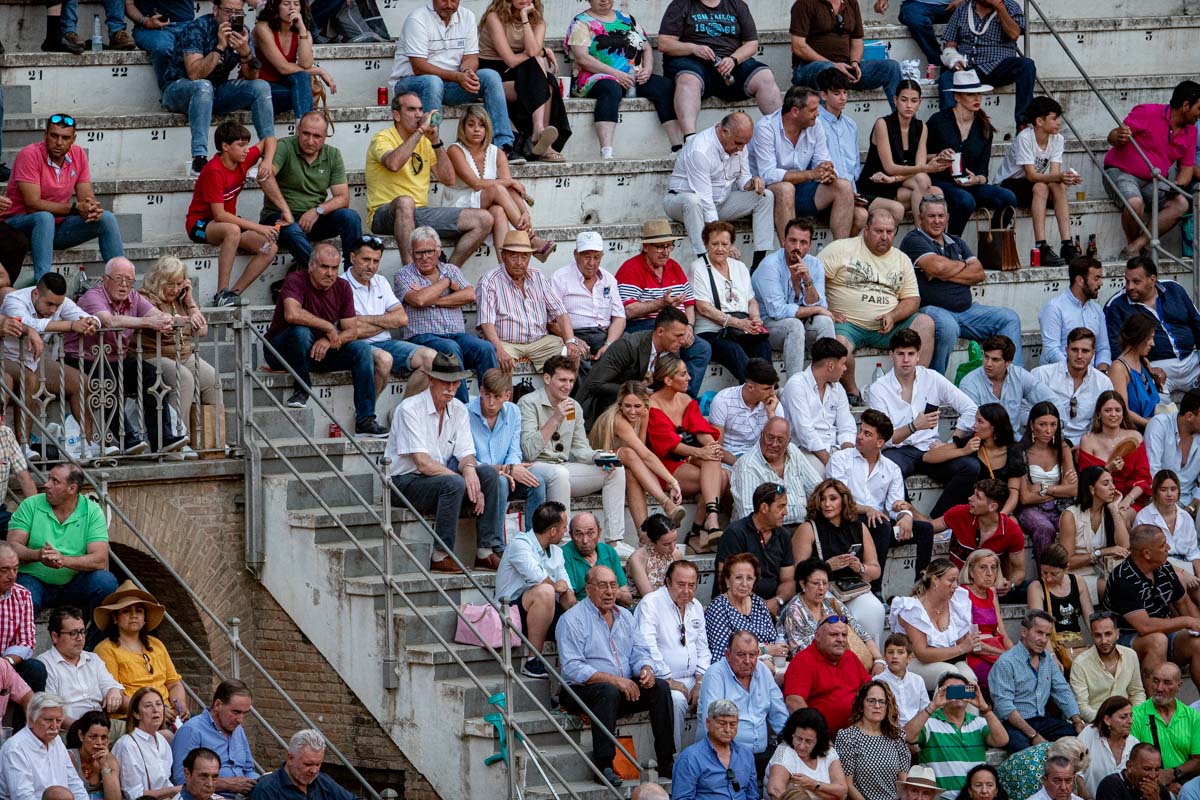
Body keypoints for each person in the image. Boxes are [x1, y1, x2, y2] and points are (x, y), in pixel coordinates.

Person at [557, 565, 675, 788]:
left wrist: (645, 669)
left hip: (620, 689)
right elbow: (572, 668)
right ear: (588, 589)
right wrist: (613, 679)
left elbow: (639, 651)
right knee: (608, 690)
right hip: (581, 690)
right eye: (602, 586)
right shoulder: (572, 619)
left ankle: (667, 761)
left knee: (659, 687)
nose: (609, 591)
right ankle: (604, 765)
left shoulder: (626, 617)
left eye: (612, 585)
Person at [385, 352, 504, 573]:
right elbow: (422, 463)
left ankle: (485, 551)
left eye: (455, 383)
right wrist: (464, 480)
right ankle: (440, 555)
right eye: (445, 383)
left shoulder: (458, 408)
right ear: (431, 380)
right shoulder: (410, 409)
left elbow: (466, 453)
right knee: (455, 484)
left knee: (487, 474)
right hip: (403, 483)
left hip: (436, 481)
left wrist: (469, 471)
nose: (451, 388)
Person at [263, 244, 389, 437]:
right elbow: (292, 314)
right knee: (301, 332)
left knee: (363, 349)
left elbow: (352, 330)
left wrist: (330, 341)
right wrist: (329, 327)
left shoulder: (342, 286)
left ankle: (365, 419)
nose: (330, 273)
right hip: (281, 351)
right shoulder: (296, 279)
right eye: (324, 267)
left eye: (334, 268)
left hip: (318, 351)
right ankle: (301, 390)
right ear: (311, 265)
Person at [899, 195, 1023, 376]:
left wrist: (942, 274)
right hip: (930, 309)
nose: (937, 221)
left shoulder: (956, 241)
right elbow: (938, 267)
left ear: (947, 217)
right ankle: (934, 383)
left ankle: (1013, 379)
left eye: (941, 216)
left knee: (1009, 317)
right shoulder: (914, 240)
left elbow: (978, 273)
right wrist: (960, 267)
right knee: (948, 327)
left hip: (966, 311)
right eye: (931, 216)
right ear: (921, 218)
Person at [365, 92, 491, 267]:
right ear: (396, 115)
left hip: (418, 212)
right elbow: (393, 163)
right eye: (411, 109)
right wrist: (419, 132)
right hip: (384, 213)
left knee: (484, 219)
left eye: (420, 109)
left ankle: (449, 273)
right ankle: (410, 272)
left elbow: (448, 179)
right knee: (405, 202)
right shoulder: (383, 138)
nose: (418, 114)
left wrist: (435, 140)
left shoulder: (425, 141)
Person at [821, 210, 935, 402]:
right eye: (879, 231)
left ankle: (913, 390)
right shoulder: (840, 249)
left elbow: (912, 299)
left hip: (888, 327)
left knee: (926, 322)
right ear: (865, 230)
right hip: (848, 324)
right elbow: (814, 280)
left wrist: (893, 315)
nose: (884, 237)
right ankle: (852, 392)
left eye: (890, 232)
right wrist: (825, 310)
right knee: (839, 345)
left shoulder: (901, 258)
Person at [520, 356, 629, 554]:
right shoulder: (528, 403)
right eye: (562, 380)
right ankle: (564, 542)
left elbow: (580, 449)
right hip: (535, 467)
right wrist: (555, 418)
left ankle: (614, 541)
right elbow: (528, 451)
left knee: (615, 470)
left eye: (571, 381)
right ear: (547, 378)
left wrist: (599, 456)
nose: (567, 386)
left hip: (562, 468)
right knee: (559, 474)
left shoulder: (574, 406)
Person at [869, 328, 981, 517]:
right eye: (900, 354)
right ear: (891, 355)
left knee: (971, 467)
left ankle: (938, 520)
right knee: (886, 467)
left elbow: (971, 409)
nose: (906, 360)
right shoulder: (878, 389)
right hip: (899, 450)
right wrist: (914, 426)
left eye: (911, 354)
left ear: (918, 356)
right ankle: (910, 518)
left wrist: (952, 442)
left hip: (930, 448)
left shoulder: (932, 378)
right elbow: (883, 440)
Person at [1, 114, 124, 283]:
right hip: (17, 227)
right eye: (54, 136)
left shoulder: (78, 154)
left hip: (56, 228)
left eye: (65, 138)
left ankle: (122, 281)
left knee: (107, 218)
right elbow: (33, 205)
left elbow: (86, 196)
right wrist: (75, 208)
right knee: (44, 217)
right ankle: (44, 285)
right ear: (45, 135)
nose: (59, 142)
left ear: (73, 138)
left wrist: (91, 208)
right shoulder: (29, 154)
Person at [160, 0, 276, 179]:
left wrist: (245, 53)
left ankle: (267, 156)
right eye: (228, 11)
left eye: (238, 13)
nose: (232, 17)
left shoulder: (242, 32)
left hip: (215, 92)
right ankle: (199, 159)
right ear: (216, 10)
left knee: (261, 87)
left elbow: (251, 76)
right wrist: (220, 47)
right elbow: (194, 73)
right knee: (203, 86)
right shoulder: (197, 28)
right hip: (179, 88)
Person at [388, 0, 516, 158]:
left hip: (450, 83)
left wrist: (467, 72)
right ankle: (431, 146)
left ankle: (503, 146)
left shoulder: (467, 16)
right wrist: (457, 76)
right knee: (432, 81)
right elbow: (419, 67)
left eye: (454, 0)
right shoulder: (417, 19)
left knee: (490, 76)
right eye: (444, 0)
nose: (449, 4)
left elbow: (471, 57)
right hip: (410, 84)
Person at [827, 409, 935, 590]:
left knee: (925, 529)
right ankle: (875, 589)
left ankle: (921, 587)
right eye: (860, 430)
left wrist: (906, 516)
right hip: (848, 525)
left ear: (880, 442)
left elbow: (896, 505)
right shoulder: (840, 459)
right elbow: (839, 500)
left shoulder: (892, 469)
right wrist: (867, 509)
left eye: (867, 434)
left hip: (878, 529)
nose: (859, 436)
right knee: (882, 523)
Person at [393, 227, 499, 404]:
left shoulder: (451, 269)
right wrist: (446, 283)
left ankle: (492, 405)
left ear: (438, 250)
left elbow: (470, 295)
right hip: (423, 338)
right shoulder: (403, 275)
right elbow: (419, 300)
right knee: (451, 349)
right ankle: (462, 411)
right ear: (411, 253)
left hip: (457, 335)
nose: (424, 257)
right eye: (419, 253)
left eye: (429, 251)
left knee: (485, 348)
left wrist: (433, 299)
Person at [565, 0, 682, 159]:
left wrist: (647, 69)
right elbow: (582, 58)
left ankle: (677, 147)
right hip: (595, 77)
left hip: (632, 76)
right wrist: (615, 74)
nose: (604, 0)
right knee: (610, 89)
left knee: (664, 86)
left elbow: (646, 48)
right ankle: (606, 151)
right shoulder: (581, 22)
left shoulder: (627, 18)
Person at [7, 464, 118, 624]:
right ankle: (20, 647)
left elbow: (100, 559)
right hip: (34, 579)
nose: (46, 484)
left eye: (55, 481)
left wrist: (64, 560)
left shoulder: (92, 511)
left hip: (74, 582)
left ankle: (93, 646)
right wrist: (38, 555)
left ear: (72, 489)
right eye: (48, 478)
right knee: (22, 598)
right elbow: (12, 548)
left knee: (105, 582)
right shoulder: (30, 505)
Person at [747, 86, 857, 246]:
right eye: (812, 110)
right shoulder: (766, 128)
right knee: (785, 189)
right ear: (795, 111)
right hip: (766, 192)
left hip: (802, 189)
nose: (817, 114)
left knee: (844, 186)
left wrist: (828, 171)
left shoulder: (815, 125)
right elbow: (768, 174)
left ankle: (839, 254)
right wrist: (812, 174)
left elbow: (823, 160)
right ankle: (789, 255)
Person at [1, 273, 99, 450]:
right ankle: (24, 446)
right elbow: (28, 324)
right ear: (36, 293)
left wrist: (91, 322)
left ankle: (88, 444)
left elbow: (89, 317)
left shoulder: (59, 303)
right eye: (50, 304)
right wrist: (70, 325)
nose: (54, 310)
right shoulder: (14, 299)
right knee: (29, 378)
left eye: (58, 305)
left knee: (80, 381)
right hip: (6, 357)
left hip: (34, 359)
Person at [657, 0, 782, 139]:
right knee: (688, 79)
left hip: (731, 63)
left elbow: (752, 44)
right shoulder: (681, 4)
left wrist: (734, 59)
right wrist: (693, 48)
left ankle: (780, 135)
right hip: (693, 63)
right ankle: (690, 138)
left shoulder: (737, 4)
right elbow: (664, 43)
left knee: (764, 76)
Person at [1102, 81, 1198, 259]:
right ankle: (1135, 253)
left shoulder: (1191, 131)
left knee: (1181, 204)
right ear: (1186, 105)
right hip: (1121, 172)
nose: (1199, 115)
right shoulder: (1147, 111)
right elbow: (1114, 135)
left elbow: (1186, 171)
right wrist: (1118, 136)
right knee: (1135, 203)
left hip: (1153, 181)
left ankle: (1136, 245)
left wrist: (1175, 185)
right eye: (1198, 108)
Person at [665, 113, 774, 265]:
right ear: (724, 132)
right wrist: (723, 240)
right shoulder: (700, 149)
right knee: (693, 201)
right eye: (738, 143)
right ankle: (704, 260)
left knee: (765, 196)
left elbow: (742, 177)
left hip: (721, 202)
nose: (741, 148)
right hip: (682, 202)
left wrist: (751, 183)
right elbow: (705, 201)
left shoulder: (740, 143)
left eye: (745, 144)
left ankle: (759, 263)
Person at [444, 106, 553, 257]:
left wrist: (525, 213)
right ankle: (530, 238)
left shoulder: (497, 152)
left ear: (487, 128)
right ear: (462, 127)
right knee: (498, 187)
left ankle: (504, 270)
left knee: (499, 210)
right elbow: (475, 184)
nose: (476, 129)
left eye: (481, 125)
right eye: (471, 125)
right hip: (458, 206)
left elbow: (509, 188)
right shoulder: (454, 150)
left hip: (485, 207)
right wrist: (509, 182)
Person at [257, 111, 360, 271]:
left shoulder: (332, 154)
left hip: (313, 219)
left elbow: (343, 198)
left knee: (351, 218)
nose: (310, 141)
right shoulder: (285, 146)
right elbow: (265, 177)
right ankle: (322, 273)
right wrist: (286, 211)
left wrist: (317, 211)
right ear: (298, 130)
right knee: (292, 230)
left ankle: (351, 276)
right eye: (306, 133)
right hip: (280, 217)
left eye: (317, 136)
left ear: (325, 136)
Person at [647, 354, 730, 552]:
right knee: (721, 477)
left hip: (689, 458)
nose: (689, 378)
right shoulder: (652, 404)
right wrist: (703, 452)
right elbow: (671, 445)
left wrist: (712, 447)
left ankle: (710, 518)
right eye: (683, 374)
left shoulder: (685, 399)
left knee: (714, 463)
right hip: (664, 465)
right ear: (668, 380)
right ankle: (698, 531)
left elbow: (701, 430)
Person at [791, 478, 886, 648]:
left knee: (875, 610)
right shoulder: (809, 527)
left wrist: (860, 567)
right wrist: (826, 567)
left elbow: (875, 569)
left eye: (833, 498)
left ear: (844, 500)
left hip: (852, 587)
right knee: (836, 617)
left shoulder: (858, 527)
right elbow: (799, 570)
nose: (827, 504)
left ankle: (873, 661)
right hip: (823, 589)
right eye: (823, 499)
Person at [138, 257, 220, 452]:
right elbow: (164, 325)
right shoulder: (145, 297)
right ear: (158, 280)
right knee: (183, 378)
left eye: (178, 284)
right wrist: (185, 319)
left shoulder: (182, 300)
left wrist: (190, 300)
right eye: (170, 284)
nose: (174, 290)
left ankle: (211, 439)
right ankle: (175, 440)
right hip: (152, 355)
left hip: (183, 354)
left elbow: (202, 331)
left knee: (212, 379)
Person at [341, 236, 437, 399]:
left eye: (376, 261)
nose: (371, 266)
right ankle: (366, 417)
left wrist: (363, 319)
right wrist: (386, 321)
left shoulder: (380, 281)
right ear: (352, 258)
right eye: (366, 259)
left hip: (386, 343)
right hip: (357, 346)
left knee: (431, 358)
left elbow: (401, 318)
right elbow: (352, 330)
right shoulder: (341, 284)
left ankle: (401, 412)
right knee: (384, 360)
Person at [1103, 525, 1200, 682]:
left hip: (1163, 631)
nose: (1168, 548)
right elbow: (1144, 626)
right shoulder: (1124, 579)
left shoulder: (1164, 568)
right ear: (1147, 554)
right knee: (1157, 640)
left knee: (1197, 644)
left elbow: (1184, 603)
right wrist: (1186, 621)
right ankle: (1155, 704)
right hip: (1124, 640)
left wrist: (1197, 624)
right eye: (1162, 545)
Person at [478, 231, 586, 372]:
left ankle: (562, 395)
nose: (519, 262)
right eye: (513, 256)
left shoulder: (537, 276)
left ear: (530, 257)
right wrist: (499, 349)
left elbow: (560, 312)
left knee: (570, 356)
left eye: (524, 256)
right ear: (503, 256)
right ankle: (507, 395)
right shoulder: (490, 280)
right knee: (500, 364)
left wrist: (571, 341)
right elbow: (487, 323)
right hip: (505, 343)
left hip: (540, 342)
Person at [926, 71, 1017, 237]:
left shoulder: (985, 127)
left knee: (1008, 197)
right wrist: (938, 156)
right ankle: (952, 245)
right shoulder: (938, 121)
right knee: (965, 201)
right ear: (957, 97)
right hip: (941, 181)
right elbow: (919, 158)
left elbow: (983, 173)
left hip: (970, 184)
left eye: (979, 94)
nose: (977, 98)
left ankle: (994, 240)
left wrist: (976, 179)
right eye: (971, 94)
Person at [994, 96, 1081, 267]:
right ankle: (1041, 246)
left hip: (1032, 186)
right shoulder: (1025, 137)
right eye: (1054, 118)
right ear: (1039, 121)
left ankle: (1067, 245)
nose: (1059, 122)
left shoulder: (1058, 139)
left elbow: (1054, 175)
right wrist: (1059, 177)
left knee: (1058, 185)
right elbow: (1032, 175)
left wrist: (1065, 178)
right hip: (1009, 184)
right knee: (1041, 186)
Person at [478, 0, 569, 162]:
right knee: (538, 65)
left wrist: (525, 18)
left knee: (547, 79)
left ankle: (539, 132)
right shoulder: (494, 17)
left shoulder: (538, 22)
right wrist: (542, 51)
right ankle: (541, 139)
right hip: (494, 76)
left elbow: (533, 52)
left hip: (522, 74)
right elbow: (511, 60)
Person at [588, 382, 688, 531]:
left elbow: (641, 452)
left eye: (637, 406)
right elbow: (644, 455)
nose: (632, 411)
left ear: (645, 405)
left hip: (620, 467)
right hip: (597, 462)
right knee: (629, 453)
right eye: (627, 406)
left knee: (631, 472)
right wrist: (672, 481)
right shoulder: (618, 420)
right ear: (620, 404)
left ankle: (644, 534)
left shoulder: (644, 415)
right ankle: (666, 504)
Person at [494, 501, 577, 680]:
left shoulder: (556, 552)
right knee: (545, 591)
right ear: (553, 531)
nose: (566, 531)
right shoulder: (520, 543)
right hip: (509, 613)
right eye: (564, 527)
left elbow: (567, 591)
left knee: (575, 616)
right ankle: (533, 660)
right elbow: (539, 579)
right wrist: (557, 587)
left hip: (541, 612)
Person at [634, 560, 710, 752]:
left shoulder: (696, 606)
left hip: (693, 678)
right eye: (680, 584)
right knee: (675, 700)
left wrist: (701, 682)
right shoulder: (651, 603)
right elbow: (646, 645)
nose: (686, 590)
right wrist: (668, 679)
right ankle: (673, 757)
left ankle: (708, 756)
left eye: (691, 585)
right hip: (661, 679)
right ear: (667, 582)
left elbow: (703, 648)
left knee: (714, 695)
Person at [468, 368, 549, 544]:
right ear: (480, 391)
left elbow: (514, 450)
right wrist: (506, 470)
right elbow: (468, 459)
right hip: (478, 475)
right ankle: (496, 545)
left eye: (497, 397)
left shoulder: (513, 411)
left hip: (507, 473)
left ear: (507, 395)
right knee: (500, 482)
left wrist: (512, 468)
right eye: (487, 395)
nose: (490, 402)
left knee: (537, 482)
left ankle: (533, 543)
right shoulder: (466, 412)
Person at [697, 630, 789, 778]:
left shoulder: (763, 671)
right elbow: (715, 725)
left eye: (752, 655)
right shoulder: (715, 675)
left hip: (760, 755)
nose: (748, 661)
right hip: (723, 757)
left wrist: (791, 744)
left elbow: (780, 716)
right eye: (741, 655)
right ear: (728, 654)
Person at [753, 218, 838, 379]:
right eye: (792, 241)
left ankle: (826, 380)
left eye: (803, 242)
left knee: (825, 322)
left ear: (809, 245)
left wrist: (807, 280)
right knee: (795, 325)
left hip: (800, 323)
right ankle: (795, 385)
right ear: (784, 241)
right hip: (766, 326)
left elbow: (820, 303)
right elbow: (777, 311)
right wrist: (817, 309)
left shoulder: (815, 265)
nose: (797, 247)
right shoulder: (770, 265)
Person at [990, 610, 1086, 752]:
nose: (1044, 639)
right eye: (1039, 633)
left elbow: (1062, 690)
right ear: (1024, 632)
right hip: (1013, 724)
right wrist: (1033, 735)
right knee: (1022, 748)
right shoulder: (1006, 662)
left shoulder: (1047, 659)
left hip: (1041, 721)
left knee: (1077, 738)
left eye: (1047, 635)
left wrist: (1077, 721)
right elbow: (1005, 707)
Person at [92, 582, 186, 725]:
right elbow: (116, 697)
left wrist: (181, 706)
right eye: (126, 611)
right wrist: (154, 711)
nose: (134, 615)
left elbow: (174, 683)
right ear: (115, 618)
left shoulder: (157, 644)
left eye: (139, 611)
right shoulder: (105, 649)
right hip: (132, 717)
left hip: (168, 715)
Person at [1104, 255, 1200, 395]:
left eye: (1136, 282)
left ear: (1152, 280)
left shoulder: (1174, 289)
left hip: (1191, 362)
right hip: (1155, 367)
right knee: (1159, 411)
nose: (1129, 287)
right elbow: (1116, 348)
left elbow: (1197, 324)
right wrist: (1145, 368)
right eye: (1127, 281)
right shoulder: (1117, 305)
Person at [858, 80, 949, 224]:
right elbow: (890, 168)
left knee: (935, 192)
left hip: (895, 184)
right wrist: (926, 168)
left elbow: (917, 169)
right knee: (924, 179)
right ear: (895, 100)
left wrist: (893, 179)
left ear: (919, 102)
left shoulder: (921, 127)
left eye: (914, 101)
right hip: (875, 186)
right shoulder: (882, 124)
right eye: (904, 100)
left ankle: (929, 238)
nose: (909, 105)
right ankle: (920, 235)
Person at [691, 222, 771, 382]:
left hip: (740, 329)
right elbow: (704, 308)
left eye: (724, 244)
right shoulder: (697, 268)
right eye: (714, 244)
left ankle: (767, 389)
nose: (720, 248)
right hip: (713, 331)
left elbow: (751, 300)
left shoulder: (740, 267)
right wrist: (738, 323)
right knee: (733, 350)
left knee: (763, 346)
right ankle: (756, 391)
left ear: (731, 245)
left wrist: (755, 318)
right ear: (706, 244)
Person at [937, 0, 1036, 128]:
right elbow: (949, 44)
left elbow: (1014, 34)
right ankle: (949, 127)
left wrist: (999, 7)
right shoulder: (963, 8)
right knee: (946, 79)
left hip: (998, 67)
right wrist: (954, 59)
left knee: (1026, 65)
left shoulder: (1011, 7)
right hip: (967, 68)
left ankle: (1023, 123)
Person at [788, 0, 902, 110]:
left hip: (845, 68)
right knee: (828, 71)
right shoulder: (803, 3)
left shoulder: (851, 3)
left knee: (891, 67)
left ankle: (905, 125)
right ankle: (826, 125)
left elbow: (857, 40)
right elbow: (798, 46)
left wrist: (855, 62)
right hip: (809, 69)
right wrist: (833, 65)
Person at [908, 671, 1008, 794]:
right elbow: (907, 736)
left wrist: (984, 708)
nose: (957, 694)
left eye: (961, 690)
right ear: (940, 693)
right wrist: (933, 705)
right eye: (951, 690)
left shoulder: (979, 723)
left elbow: (1002, 740)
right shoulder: (929, 723)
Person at [549, 231, 626, 386]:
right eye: (586, 257)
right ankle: (584, 406)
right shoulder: (560, 278)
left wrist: (608, 345)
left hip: (603, 334)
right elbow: (550, 321)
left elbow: (619, 317)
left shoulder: (609, 280)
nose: (591, 262)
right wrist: (572, 339)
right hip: (573, 333)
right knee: (575, 354)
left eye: (596, 257)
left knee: (626, 349)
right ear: (576, 255)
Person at [889, 559, 980, 689]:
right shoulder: (913, 609)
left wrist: (969, 641)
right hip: (914, 662)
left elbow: (961, 645)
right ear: (935, 580)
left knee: (970, 680)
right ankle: (941, 710)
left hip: (950, 660)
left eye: (956, 581)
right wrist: (961, 648)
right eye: (951, 580)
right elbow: (922, 654)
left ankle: (969, 710)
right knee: (950, 677)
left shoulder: (957, 603)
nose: (955, 586)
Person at [778, 559, 883, 669]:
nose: (821, 588)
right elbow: (798, 652)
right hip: (812, 668)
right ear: (803, 584)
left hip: (839, 664)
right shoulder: (794, 610)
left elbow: (861, 633)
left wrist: (878, 660)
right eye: (815, 583)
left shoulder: (832, 604)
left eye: (825, 583)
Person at [36, 606, 125, 728]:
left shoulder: (93, 659)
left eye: (82, 632)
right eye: (73, 633)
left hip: (101, 725)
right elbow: (52, 712)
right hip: (68, 730)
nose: (80, 638)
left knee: (137, 734)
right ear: (55, 636)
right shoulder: (44, 664)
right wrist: (81, 729)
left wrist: (114, 690)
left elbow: (110, 687)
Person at [782, 614, 871, 735]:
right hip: (822, 740)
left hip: (858, 735)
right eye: (834, 635)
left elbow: (870, 690)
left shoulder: (850, 657)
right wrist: (817, 736)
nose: (841, 639)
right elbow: (794, 701)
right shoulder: (802, 661)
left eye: (844, 635)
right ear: (818, 636)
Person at [715, 483, 796, 614]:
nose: (785, 512)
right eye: (781, 507)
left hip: (774, 607)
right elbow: (724, 578)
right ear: (764, 507)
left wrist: (777, 601)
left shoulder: (783, 535)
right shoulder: (735, 533)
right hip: (735, 607)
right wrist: (759, 606)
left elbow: (788, 580)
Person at [935, 480, 1025, 592]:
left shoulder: (1012, 530)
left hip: (988, 590)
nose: (970, 498)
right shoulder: (959, 513)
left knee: (1030, 587)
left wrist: (1010, 584)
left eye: (977, 497)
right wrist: (910, 513)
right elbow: (930, 528)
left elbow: (1019, 570)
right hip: (955, 587)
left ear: (992, 507)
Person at [780, 337, 854, 473]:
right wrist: (830, 462)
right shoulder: (797, 385)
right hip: (806, 451)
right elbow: (805, 433)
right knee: (820, 476)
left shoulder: (838, 388)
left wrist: (848, 455)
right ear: (831, 366)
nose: (845, 368)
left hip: (835, 448)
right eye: (843, 364)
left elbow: (847, 426)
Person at [169, 680, 259, 791]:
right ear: (218, 705)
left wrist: (261, 782)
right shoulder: (191, 731)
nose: (240, 720)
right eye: (236, 712)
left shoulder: (237, 729)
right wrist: (226, 785)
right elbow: (182, 780)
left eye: (244, 713)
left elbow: (248, 770)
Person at [731, 417, 822, 525]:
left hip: (802, 525)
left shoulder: (793, 451)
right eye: (770, 438)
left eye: (780, 440)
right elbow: (749, 515)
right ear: (761, 435)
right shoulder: (747, 466)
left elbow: (818, 490)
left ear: (788, 441)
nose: (774, 444)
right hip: (768, 531)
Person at [1059, 466, 1131, 603]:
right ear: (1091, 489)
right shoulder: (1070, 515)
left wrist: (1114, 509)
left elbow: (1125, 545)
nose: (1113, 487)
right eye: (1106, 483)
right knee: (1115, 588)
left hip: (1103, 572)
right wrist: (1103, 552)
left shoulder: (1110, 511)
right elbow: (1066, 562)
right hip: (1078, 575)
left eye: (1112, 482)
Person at [251, 0, 333, 117]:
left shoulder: (303, 32)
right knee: (301, 94)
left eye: (296, 4)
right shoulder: (263, 28)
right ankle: (305, 127)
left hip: (284, 83)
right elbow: (283, 68)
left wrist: (302, 30)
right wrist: (318, 71)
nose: (292, 8)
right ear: (276, 7)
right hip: (262, 87)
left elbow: (306, 63)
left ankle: (303, 128)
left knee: (302, 77)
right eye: (286, 4)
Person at [1017, 402, 1079, 559]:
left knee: (1075, 524)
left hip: (1059, 506)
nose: (1048, 430)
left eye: (1053, 424)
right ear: (1032, 425)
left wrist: (1044, 488)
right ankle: (1045, 578)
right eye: (1042, 424)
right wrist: (1060, 489)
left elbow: (1073, 489)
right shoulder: (1021, 452)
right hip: (1030, 509)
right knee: (1044, 528)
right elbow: (1025, 498)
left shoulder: (1063, 448)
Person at [1078, 392, 1152, 521]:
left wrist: (1127, 500)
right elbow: (1086, 481)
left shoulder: (1135, 436)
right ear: (1099, 414)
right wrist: (1108, 470)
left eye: (1118, 410)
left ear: (1123, 414)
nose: (1113, 414)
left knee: (1121, 515)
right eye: (1108, 410)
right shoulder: (1088, 440)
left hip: (1130, 498)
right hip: (1098, 499)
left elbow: (1143, 477)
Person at [1033, 328, 1115, 445]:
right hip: (1047, 441)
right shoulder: (1042, 375)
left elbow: (1106, 421)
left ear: (1093, 353)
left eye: (1085, 351)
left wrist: (1087, 444)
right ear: (1066, 350)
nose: (1079, 356)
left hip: (1087, 444)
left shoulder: (1103, 383)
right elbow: (1024, 411)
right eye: (1075, 350)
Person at [0, 692, 88, 800]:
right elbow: (23, 797)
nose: (55, 726)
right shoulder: (15, 748)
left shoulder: (57, 741)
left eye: (59, 721)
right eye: (48, 720)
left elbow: (74, 783)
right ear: (31, 720)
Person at [614, 220, 695, 335]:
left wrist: (689, 327)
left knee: (703, 348)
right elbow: (628, 311)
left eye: (669, 246)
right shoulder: (630, 269)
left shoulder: (674, 266)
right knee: (669, 337)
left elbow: (689, 304)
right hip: (643, 326)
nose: (666, 252)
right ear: (646, 247)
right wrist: (661, 303)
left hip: (677, 327)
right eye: (660, 247)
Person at [832, 682, 911, 800]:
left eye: (882, 701)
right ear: (861, 704)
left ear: (888, 706)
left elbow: (903, 782)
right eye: (871, 701)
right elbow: (848, 785)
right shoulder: (848, 737)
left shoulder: (897, 736)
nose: (877, 706)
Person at [1128, 663, 1200, 792]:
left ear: (1179, 686)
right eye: (1155, 681)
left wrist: (1173, 773)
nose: (1160, 688)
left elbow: (1198, 760)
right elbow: (1132, 764)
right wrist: (1162, 786)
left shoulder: (1193, 717)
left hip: (1185, 783)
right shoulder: (1136, 716)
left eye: (1167, 683)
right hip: (1147, 786)